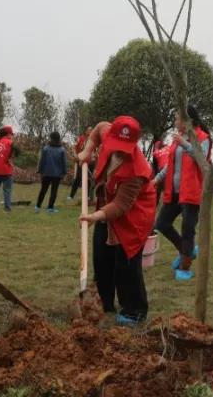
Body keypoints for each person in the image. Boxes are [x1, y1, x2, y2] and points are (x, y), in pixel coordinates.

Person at [78, 115, 157, 325]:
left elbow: (121, 206)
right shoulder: (107, 131)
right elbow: (98, 129)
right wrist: (86, 151)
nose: (119, 149)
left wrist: (95, 216)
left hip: (135, 214)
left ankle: (134, 310)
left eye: (124, 146)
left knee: (127, 263)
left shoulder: (137, 171)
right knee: (102, 256)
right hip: (108, 205)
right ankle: (103, 302)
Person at [152, 105, 211, 282]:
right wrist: (157, 179)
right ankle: (187, 251)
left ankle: (185, 267)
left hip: (191, 191)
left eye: (177, 118)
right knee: (162, 224)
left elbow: (201, 158)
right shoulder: (177, 140)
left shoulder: (203, 138)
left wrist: (185, 143)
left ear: (188, 121)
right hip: (174, 191)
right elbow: (171, 165)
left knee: (187, 228)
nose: (175, 122)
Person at [35, 131, 68, 213]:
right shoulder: (62, 150)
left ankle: (37, 206)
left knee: (43, 190)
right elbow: (64, 162)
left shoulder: (46, 149)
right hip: (57, 174)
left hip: (46, 173)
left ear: (51, 138)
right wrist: (64, 172)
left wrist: (40, 170)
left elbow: (42, 161)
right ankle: (50, 208)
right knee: (54, 191)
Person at [68, 130, 93, 203]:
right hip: (81, 161)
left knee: (88, 179)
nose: (90, 131)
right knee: (78, 179)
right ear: (86, 131)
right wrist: (76, 155)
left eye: (91, 130)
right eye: (89, 130)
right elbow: (74, 147)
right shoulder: (81, 138)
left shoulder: (94, 140)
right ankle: (71, 195)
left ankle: (88, 196)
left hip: (90, 163)